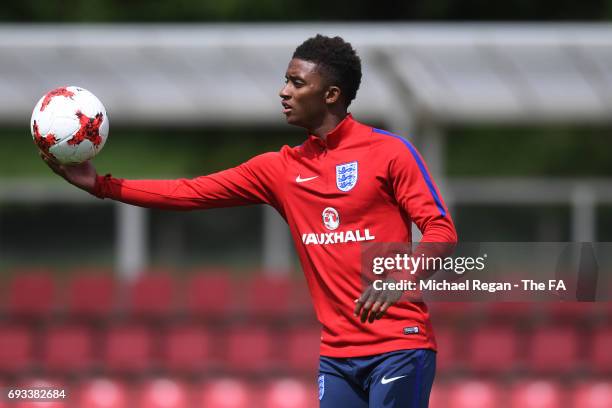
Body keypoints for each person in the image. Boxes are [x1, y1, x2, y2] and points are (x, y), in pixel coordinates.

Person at [42, 34, 457, 407]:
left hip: (400, 344)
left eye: (296, 83)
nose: (283, 92)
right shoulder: (279, 169)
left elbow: (441, 229)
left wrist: (402, 277)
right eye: (286, 80)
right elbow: (190, 192)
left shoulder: (390, 153)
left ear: (330, 94)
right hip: (337, 358)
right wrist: (101, 185)